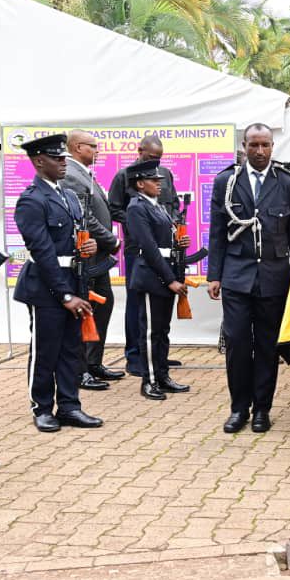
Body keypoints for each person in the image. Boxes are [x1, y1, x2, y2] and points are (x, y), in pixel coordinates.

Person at [208, 123, 290, 434]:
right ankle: (239, 408)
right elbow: (218, 232)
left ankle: (262, 408)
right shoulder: (226, 182)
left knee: (266, 346)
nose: (260, 151)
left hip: (274, 278)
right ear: (244, 147)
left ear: (273, 147)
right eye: (253, 145)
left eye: (265, 145)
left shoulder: (286, 183)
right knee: (236, 343)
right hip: (236, 277)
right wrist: (214, 275)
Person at [13, 134, 104, 433]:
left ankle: (69, 405)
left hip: (72, 281)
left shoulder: (67, 196)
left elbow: (74, 239)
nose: (64, 163)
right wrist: (65, 295)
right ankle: (41, 408)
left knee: (71, 349)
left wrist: (87, 248)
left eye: (64, 158)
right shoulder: (31, 200)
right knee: (45, 350)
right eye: (57, 158)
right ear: (39, 161)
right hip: (46, 287)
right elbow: (43, 252)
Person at [108, 134, 180, 377]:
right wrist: (139, 223)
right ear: (139, 151)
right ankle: (134, 356)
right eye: (151, 157)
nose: (156, 163)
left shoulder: (165, 175)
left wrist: (174, 222)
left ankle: (157, 355)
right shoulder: (124, 176)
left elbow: (174, 205)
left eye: (159, 159)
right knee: (138, 303)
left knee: (159, 307)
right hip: (137, 249)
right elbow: (113, 208)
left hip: (165, 250)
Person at [61, 130, 123, 391]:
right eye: (93, 146)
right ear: (77, 147)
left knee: (103, 305)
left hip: (98, 256)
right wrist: (112, 239)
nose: (98, 151)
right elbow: (85, 216)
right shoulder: (70, 174)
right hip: (87, 255)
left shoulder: (84, 173)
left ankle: (93, 361)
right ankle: (80, 369)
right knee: (85, 311)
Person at [124, 160, 191, 400]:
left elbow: (163, 239)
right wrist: (170, 279)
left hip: (163, 273)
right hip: (152, 276)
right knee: (151, 332)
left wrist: (177, 243)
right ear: (140, 184)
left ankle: (162, 376)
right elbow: (149, 247)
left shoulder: (156, 206)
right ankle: (149, 380)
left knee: (162, 331)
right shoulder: (136, 207)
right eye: (153, 181)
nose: (158, 184)